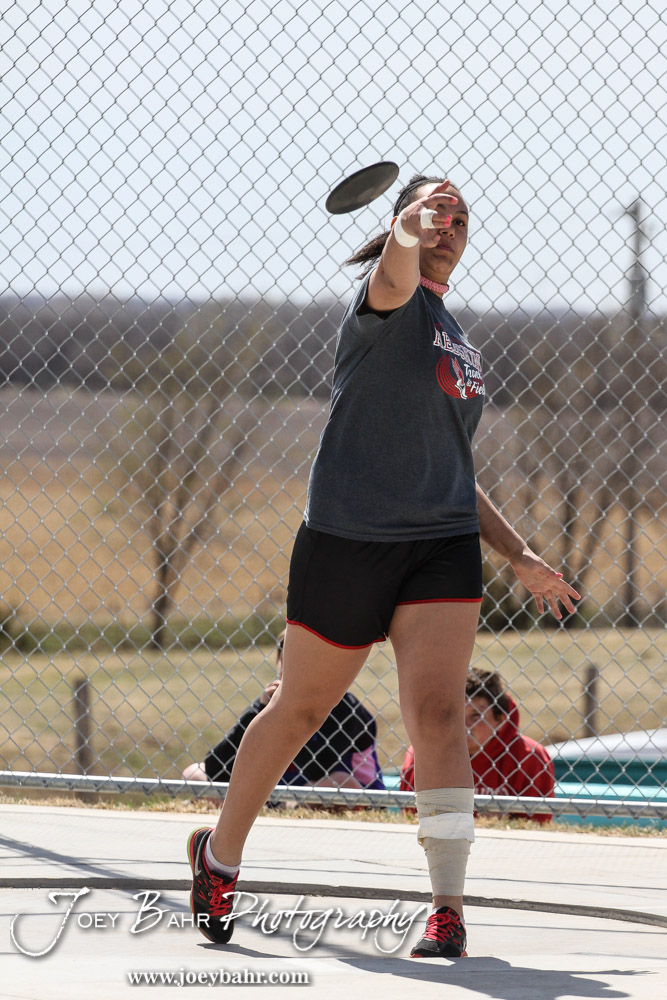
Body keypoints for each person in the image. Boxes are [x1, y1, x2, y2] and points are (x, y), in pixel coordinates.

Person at [187, 172, 580, 958]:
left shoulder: (455, 334)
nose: (449, 227)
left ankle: (446, 909)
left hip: (440, 545)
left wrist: (519, 554)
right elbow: (395, 271)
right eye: (436, 213)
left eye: (460, 218)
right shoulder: (386, 302)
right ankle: (219, 859)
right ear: (404, 222)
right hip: (349, 536)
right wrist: (407, 228)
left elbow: (452, 466)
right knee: (300, 709)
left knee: (437, 714)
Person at [182, 631, 384, 791]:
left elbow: (320, 771)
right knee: (194, 774)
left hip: (338, 793)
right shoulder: (271, 701)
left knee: (338, 782)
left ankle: (288, 805)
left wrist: (292, 716)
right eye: (288, 660)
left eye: (306, 661)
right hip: (285, 791)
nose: (297, 670)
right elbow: (216, 768)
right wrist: (260, 710)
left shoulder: (346, 708)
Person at [400, 669, 556, 823]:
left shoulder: (529, 756)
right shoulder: (423, 752)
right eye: (456, 714)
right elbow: (410, 818)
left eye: (475, 715)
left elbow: (538, 823)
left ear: (500, 721)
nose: (463, 724)